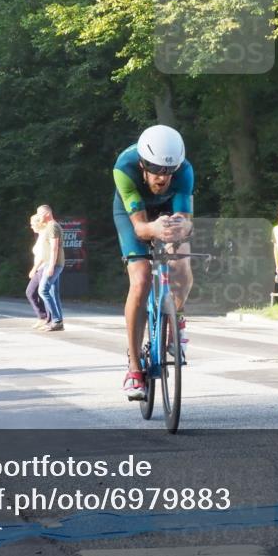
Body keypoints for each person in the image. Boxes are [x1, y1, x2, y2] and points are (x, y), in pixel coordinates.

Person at [113, 125, 193, 400]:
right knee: (142, 279)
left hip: (168, 211)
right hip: (134, 215)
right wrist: (153, 229)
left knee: (182, 265)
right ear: (142, 164)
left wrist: (177, 232)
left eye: (168, 172)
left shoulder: (184, 171)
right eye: (156, 170)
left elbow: (185, 219)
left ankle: (177, 318)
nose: (162, 178)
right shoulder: (124, 167)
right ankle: (134, 368)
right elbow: (139, 229)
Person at [36, 205, 65, 331]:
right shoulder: (49, 226)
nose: (38, 216)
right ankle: (58, 321)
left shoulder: (52, 226)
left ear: (47, 213)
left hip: (53, 263)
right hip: (52, 263)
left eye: (40, 214)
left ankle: (57, 320)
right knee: (54, 293)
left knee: (43, 290)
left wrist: (51, 266)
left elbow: (55, 247)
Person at [26, 214, 50, 330]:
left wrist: (34, 269)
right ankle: (42, 316)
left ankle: (48, 319)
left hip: (42, 267)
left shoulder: (44, 235)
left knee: (42, 293)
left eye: (32, 224)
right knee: (31, 292)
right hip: (39, 268)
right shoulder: (40, 236)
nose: (31, 226)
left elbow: (42, 256)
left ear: (39, 223)